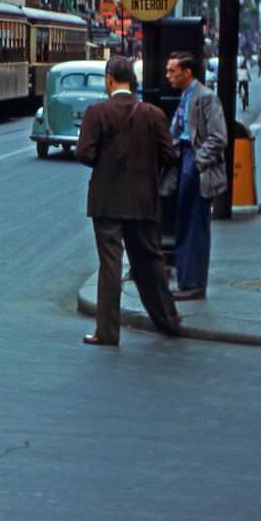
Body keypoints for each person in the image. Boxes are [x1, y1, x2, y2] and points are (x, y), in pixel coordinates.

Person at [75, 56, 182, 346]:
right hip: (142, 199)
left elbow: (84, 153)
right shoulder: (153, 114)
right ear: (132, 82)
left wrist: (106, 162)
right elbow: (170, 156)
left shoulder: (96, 113)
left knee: (110, 265)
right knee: (150, 260)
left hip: (107, 199)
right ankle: (168, 321)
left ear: (109, 79)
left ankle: (107, 332)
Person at [166, 51, 227, 300]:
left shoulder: (206, 98)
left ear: (187, 72)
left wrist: (198, 162)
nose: (168, 75)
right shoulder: (186, 95)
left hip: (195, 163)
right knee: (184, 222)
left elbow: (218, 137)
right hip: (184, 160)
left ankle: (193, 283)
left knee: (195, 225)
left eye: (172, 70)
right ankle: (185, 279)